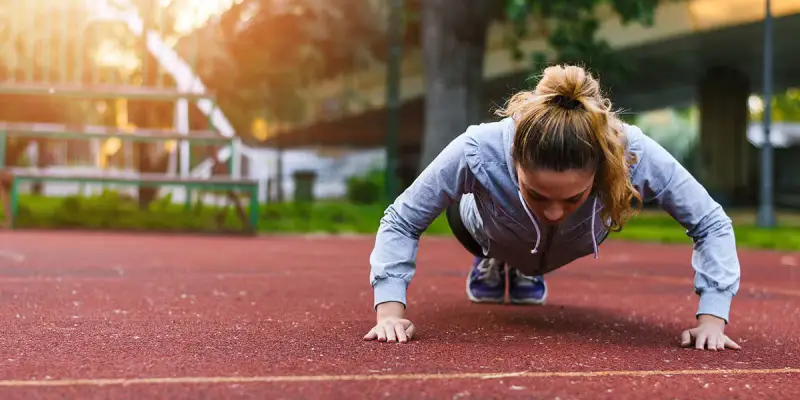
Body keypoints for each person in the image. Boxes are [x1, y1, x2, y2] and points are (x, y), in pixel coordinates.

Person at [363, 64, 741, 351]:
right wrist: (390, 313)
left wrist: (712, 319)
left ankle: (529, 262)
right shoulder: (479, 147)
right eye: (538, 194)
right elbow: (402, 220)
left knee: (562, 221)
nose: (555, 211)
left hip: (574, 240)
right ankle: (497, 259)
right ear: (514, 160)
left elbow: (710, 222)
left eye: (573, 197)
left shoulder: (632, 152)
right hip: (486, 227)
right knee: (462, 203)